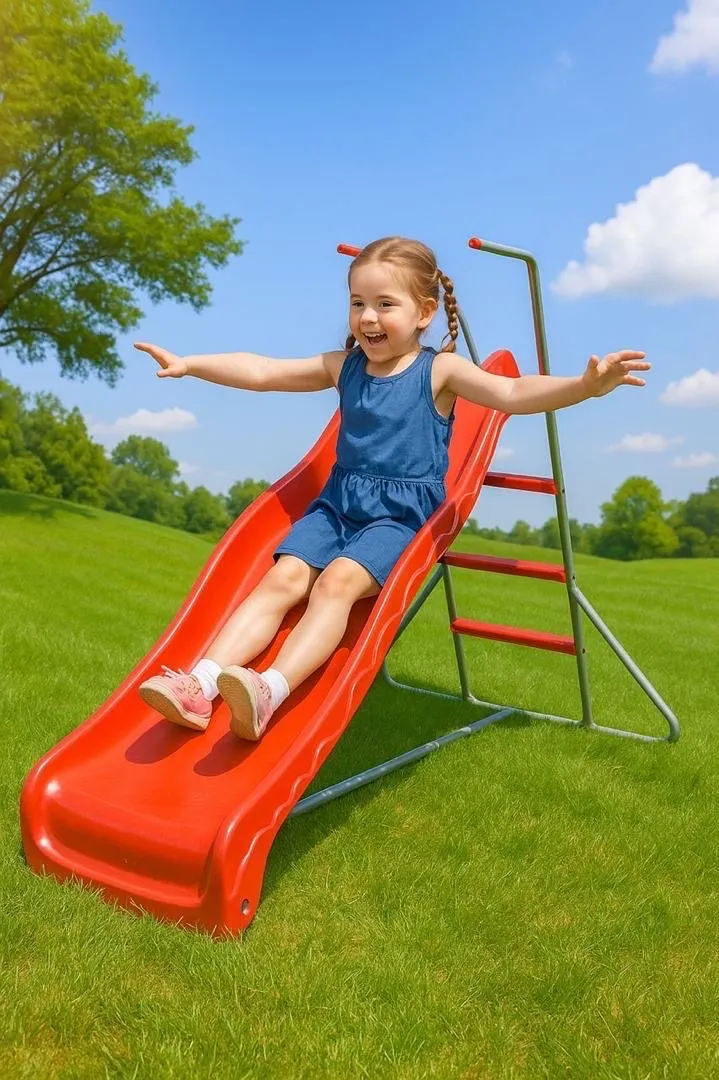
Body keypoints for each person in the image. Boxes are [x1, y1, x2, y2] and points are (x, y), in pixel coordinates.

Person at [135, 236, 649, 741]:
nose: (368, 317)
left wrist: (585, 387)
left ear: (424, 312)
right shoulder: (344, 367)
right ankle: (200, 684)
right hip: (336, 507)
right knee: (282, 578)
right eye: (357, 303)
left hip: (398, 519)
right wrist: (191, 365)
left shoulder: (439, 370)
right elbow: (265, 370)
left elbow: (512, 391)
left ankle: (271, 689)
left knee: (336, 583)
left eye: (385, 304)